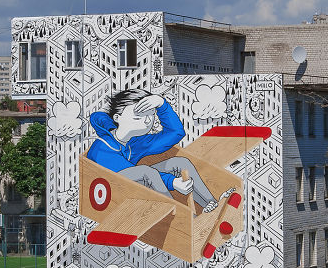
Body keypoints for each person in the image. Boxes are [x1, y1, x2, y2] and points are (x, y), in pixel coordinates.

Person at [88, 89, 231, 213]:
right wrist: (172, 182)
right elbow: (135, 173)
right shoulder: (103, 149)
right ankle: (181, 218)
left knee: (179, 163)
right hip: (114, 189)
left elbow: (175, 133)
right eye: (138, 116)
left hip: (134, 180)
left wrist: (161, 104)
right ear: (117, 118)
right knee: (146, 172)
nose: (147, 121)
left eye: (150, 114)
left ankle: (212, 204)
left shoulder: (134, 141)